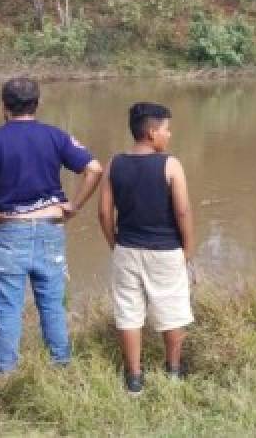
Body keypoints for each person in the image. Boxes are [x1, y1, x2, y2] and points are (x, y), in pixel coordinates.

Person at [0, 78, 103, 375]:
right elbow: (94, 168)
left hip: (9, 231)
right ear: (37, 104)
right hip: (49, 228)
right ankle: (62, 369)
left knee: (7, 311)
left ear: (4, 107)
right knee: (52, 307)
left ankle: (4, 376)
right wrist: (74, 205)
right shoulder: (55, 136)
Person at [97, 102, 195, 396]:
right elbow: (183, 212)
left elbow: (103, 213)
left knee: (128, 313)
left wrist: (115, 244)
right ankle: (173, 371)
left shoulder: (114, 163)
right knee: (173, 311)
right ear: (152, 132)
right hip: (165, 251)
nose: (169, 133)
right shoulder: (170, 164)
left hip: (126, 249)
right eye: (166, 129)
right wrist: (187, 250)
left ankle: (134, 379)